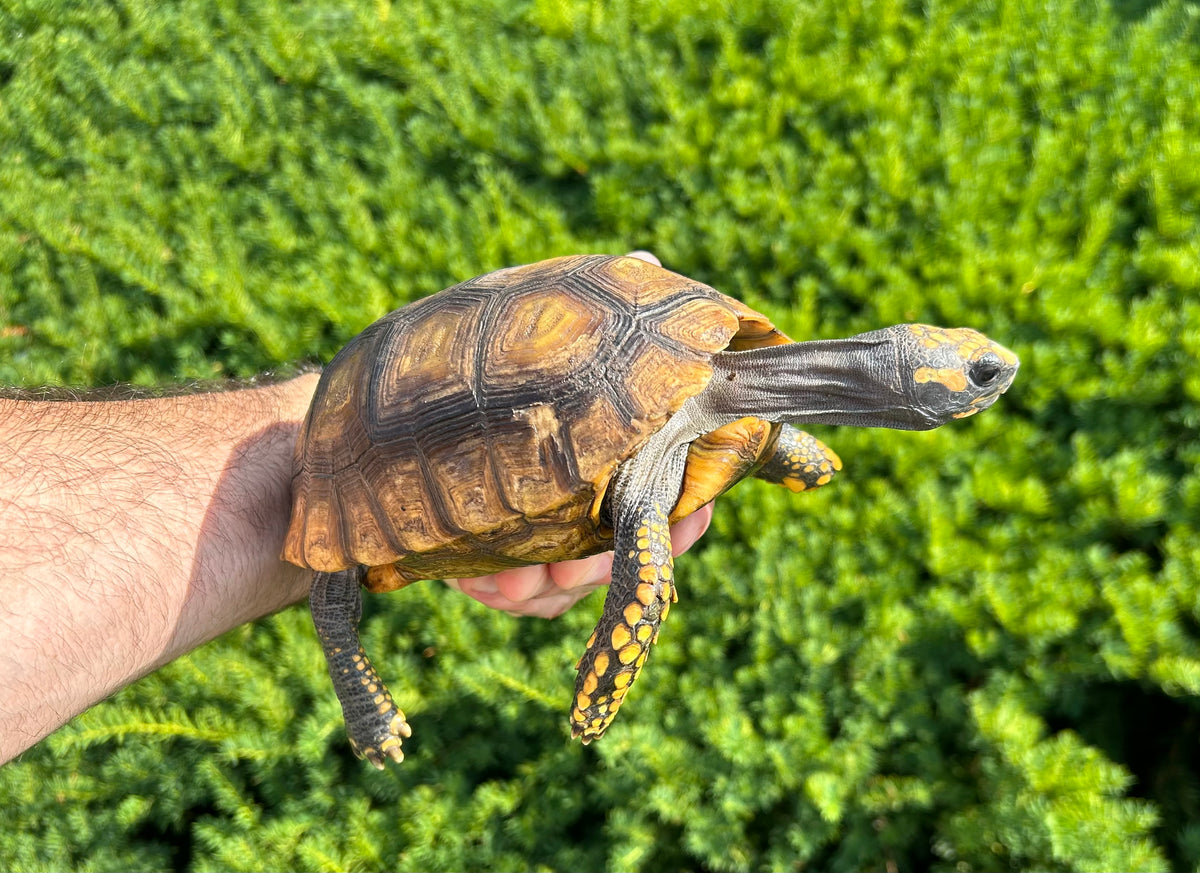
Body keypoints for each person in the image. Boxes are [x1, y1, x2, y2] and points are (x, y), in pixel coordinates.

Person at [0, 254, 713, 766]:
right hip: (398, 409)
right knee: (338, 584)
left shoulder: (730, 417)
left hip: (404, 397)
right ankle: (357, 686)